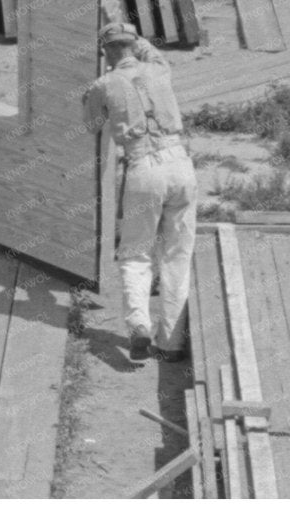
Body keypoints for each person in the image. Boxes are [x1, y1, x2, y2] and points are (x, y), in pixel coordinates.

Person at [84, 23, 197, 362]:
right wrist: (129, 32)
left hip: (143, 167)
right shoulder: (159, 68)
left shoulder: (102, 84)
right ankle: (171, 343)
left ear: (106, 51)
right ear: (134, 45)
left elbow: (91, 126)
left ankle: (139, 325)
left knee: (135, 254)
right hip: (180, 163)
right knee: (177, 255)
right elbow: (147, 50)